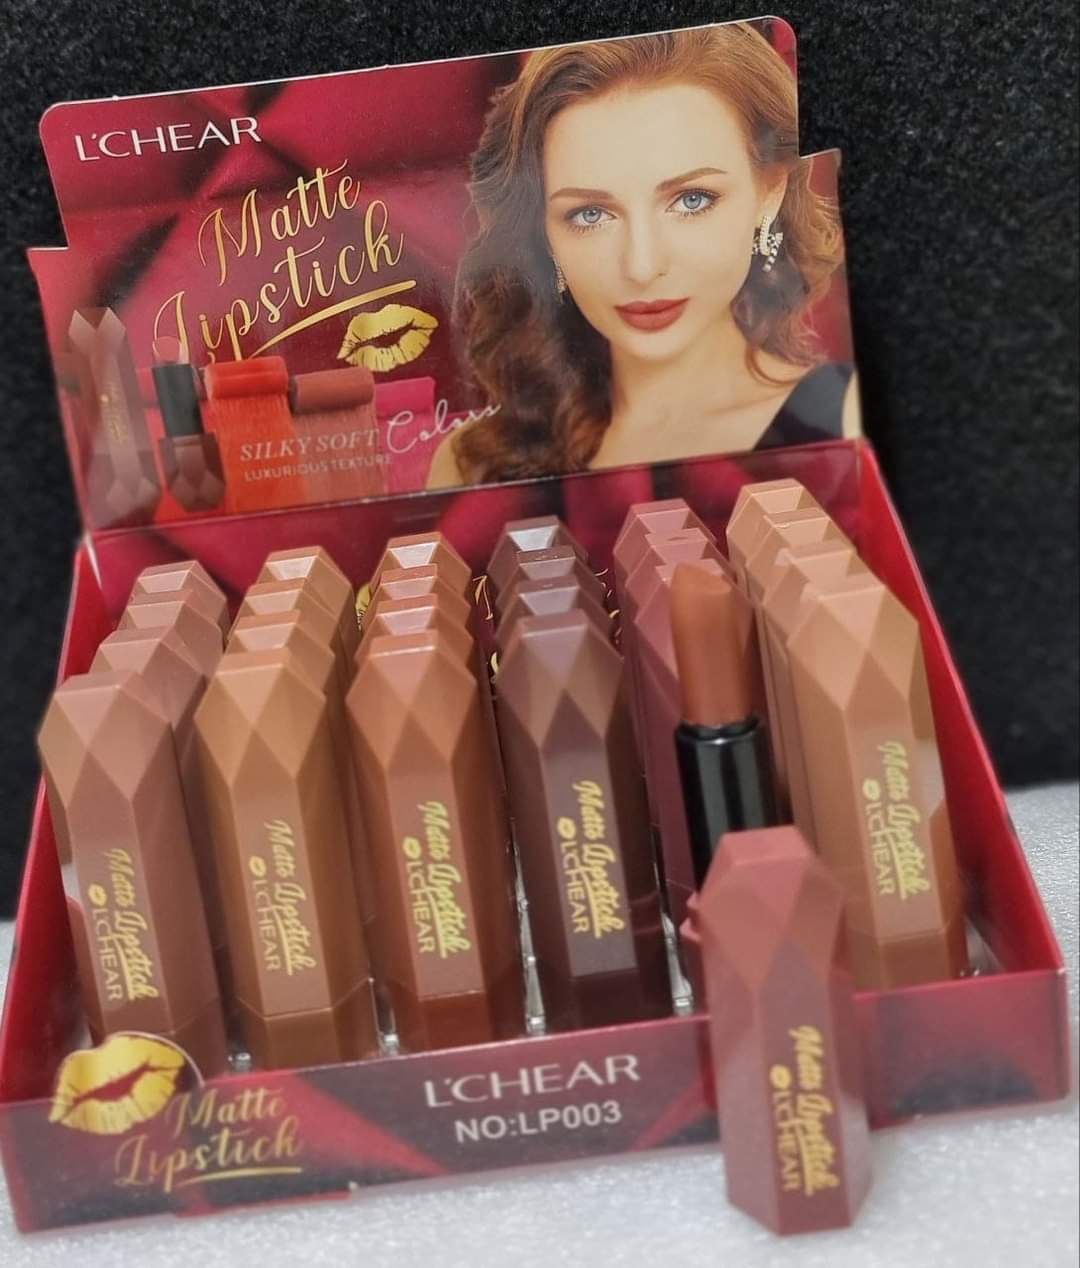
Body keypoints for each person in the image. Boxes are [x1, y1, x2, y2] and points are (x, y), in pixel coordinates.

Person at [427, 24, 859, 490]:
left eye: (691, 200)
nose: (642, 266)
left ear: (769, 192)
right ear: (544, 233)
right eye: (591, 214)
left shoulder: (846, 416)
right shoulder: (473, 462)